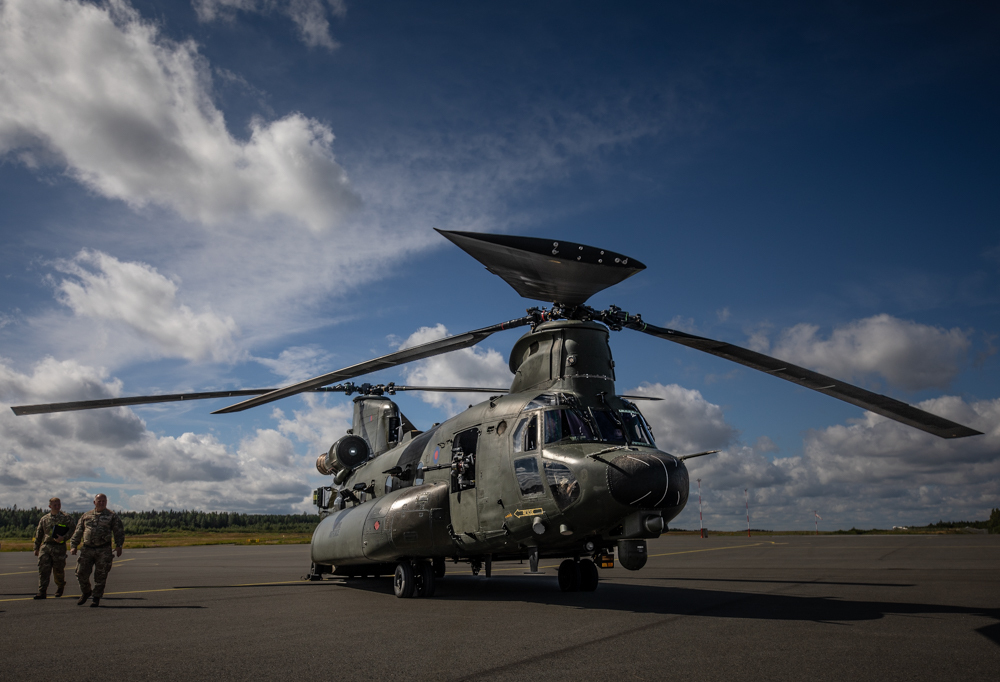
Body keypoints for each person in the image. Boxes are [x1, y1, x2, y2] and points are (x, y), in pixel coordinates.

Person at [70, 493, 124, 608]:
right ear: (94, 502)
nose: (101, 503)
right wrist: (73, 545)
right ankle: (86, 592)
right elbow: (78, 531)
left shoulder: (112, 516)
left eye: (104, 501)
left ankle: (96, 597)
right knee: (80, 573)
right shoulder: (86, 516)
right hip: (87, 549)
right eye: (99, 501)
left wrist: (119, 545)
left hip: (103, 549)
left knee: (101, 575)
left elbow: (118, 531)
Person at [33, 497, 75, 599]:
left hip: (59, 547)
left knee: (58, 570)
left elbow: (73, 530)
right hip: (46, 546)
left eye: (59, 504)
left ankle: (60, 586)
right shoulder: (44, 519)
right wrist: (36, 547)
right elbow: (39, 533)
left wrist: (63, 538)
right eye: (55, 505)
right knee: (43, 570)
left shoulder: (66, 518)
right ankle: (42, 591)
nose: (57, 506)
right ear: (50, 506)